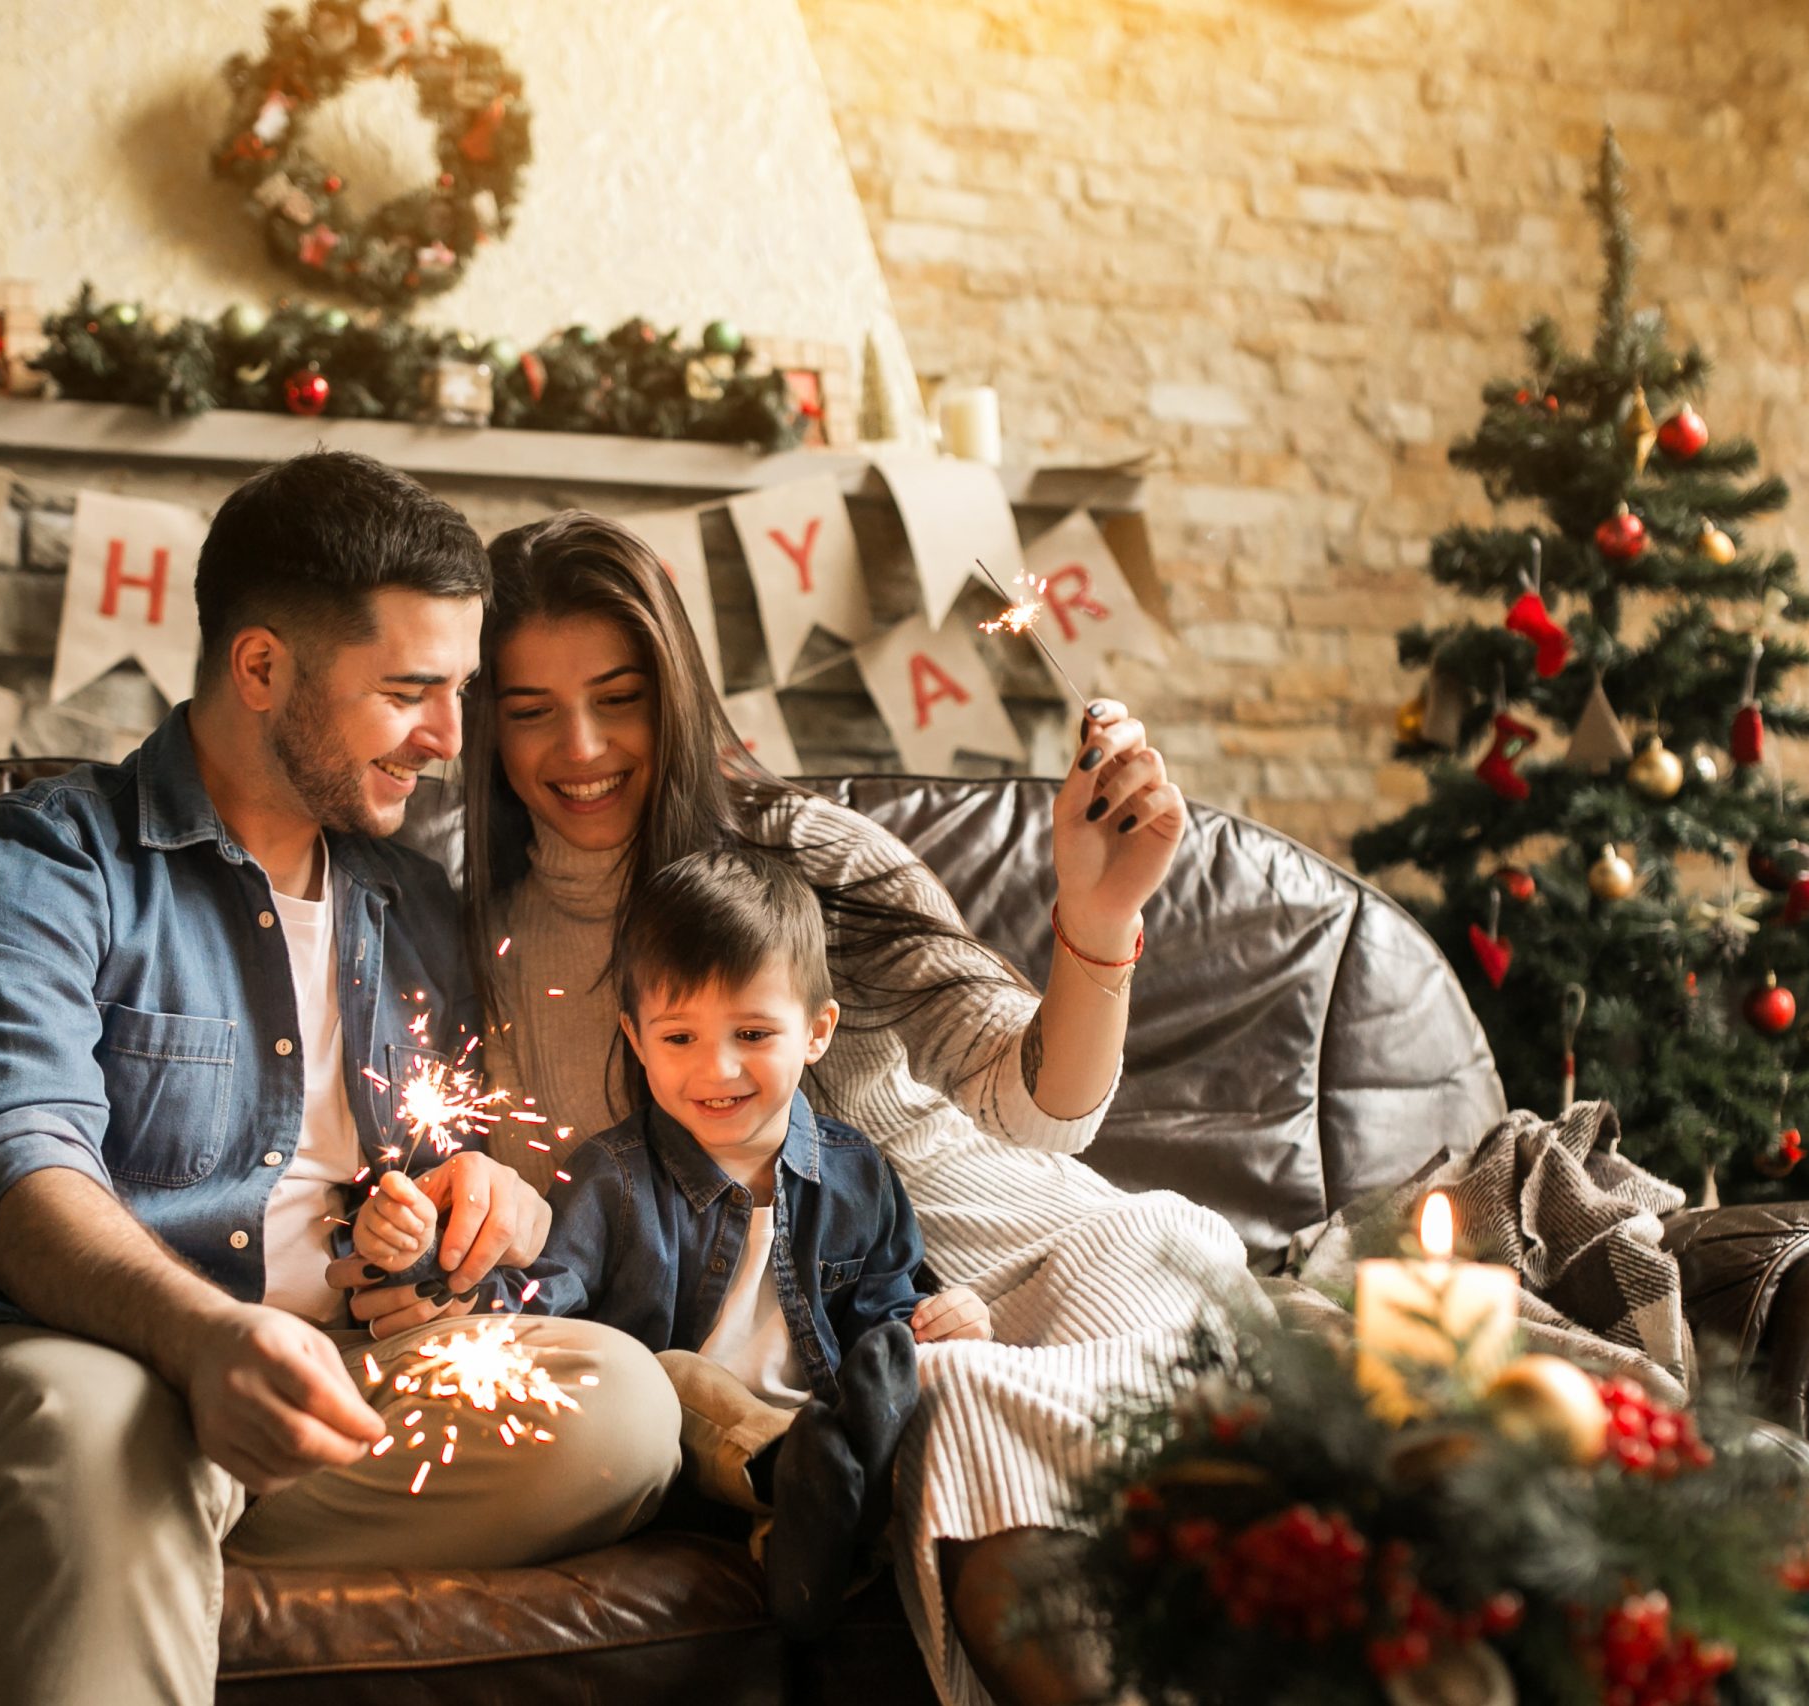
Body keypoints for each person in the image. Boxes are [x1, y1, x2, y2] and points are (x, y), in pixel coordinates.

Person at [0, 456, 681, 1706]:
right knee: (99, 1427)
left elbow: (437, 1170)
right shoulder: (45, 861)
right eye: (408, 691)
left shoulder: (415, 903)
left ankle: (154, 1522)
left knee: (619, 1406)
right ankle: (134, 1494)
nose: (450, 738)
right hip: (35, 1359)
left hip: (318, 1378)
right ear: (262, 667)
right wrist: (206, 1339)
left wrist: (483, 1210)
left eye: (458, 691)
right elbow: (11, 1170)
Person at [442, 510, 1257, 1706]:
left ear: (675, 692)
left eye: (618, 696)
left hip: (1047, 1260)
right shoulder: (490, 948)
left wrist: (1094, 918)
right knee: (936, 1418)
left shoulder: (811, 855)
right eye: (529, 710)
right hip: (864, 1373)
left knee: (984, 1408)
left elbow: (1042, 1111)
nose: (580, 744)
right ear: (483, 728)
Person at [354, 847, 994, 1635]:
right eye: (680, 1038)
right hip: (678, 1456)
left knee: (931, 1391)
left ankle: (818, 1535)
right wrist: (433, 1269)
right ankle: (798, 1479)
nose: (717, 1068)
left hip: (826, 1443)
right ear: (636, 1036)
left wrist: (943, 1319)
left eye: (754, 1032)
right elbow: (539, 1304)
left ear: (818, 1032)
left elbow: (886, 1321)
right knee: (670, 1376)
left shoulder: (859, 1175)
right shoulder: (611, 1177)